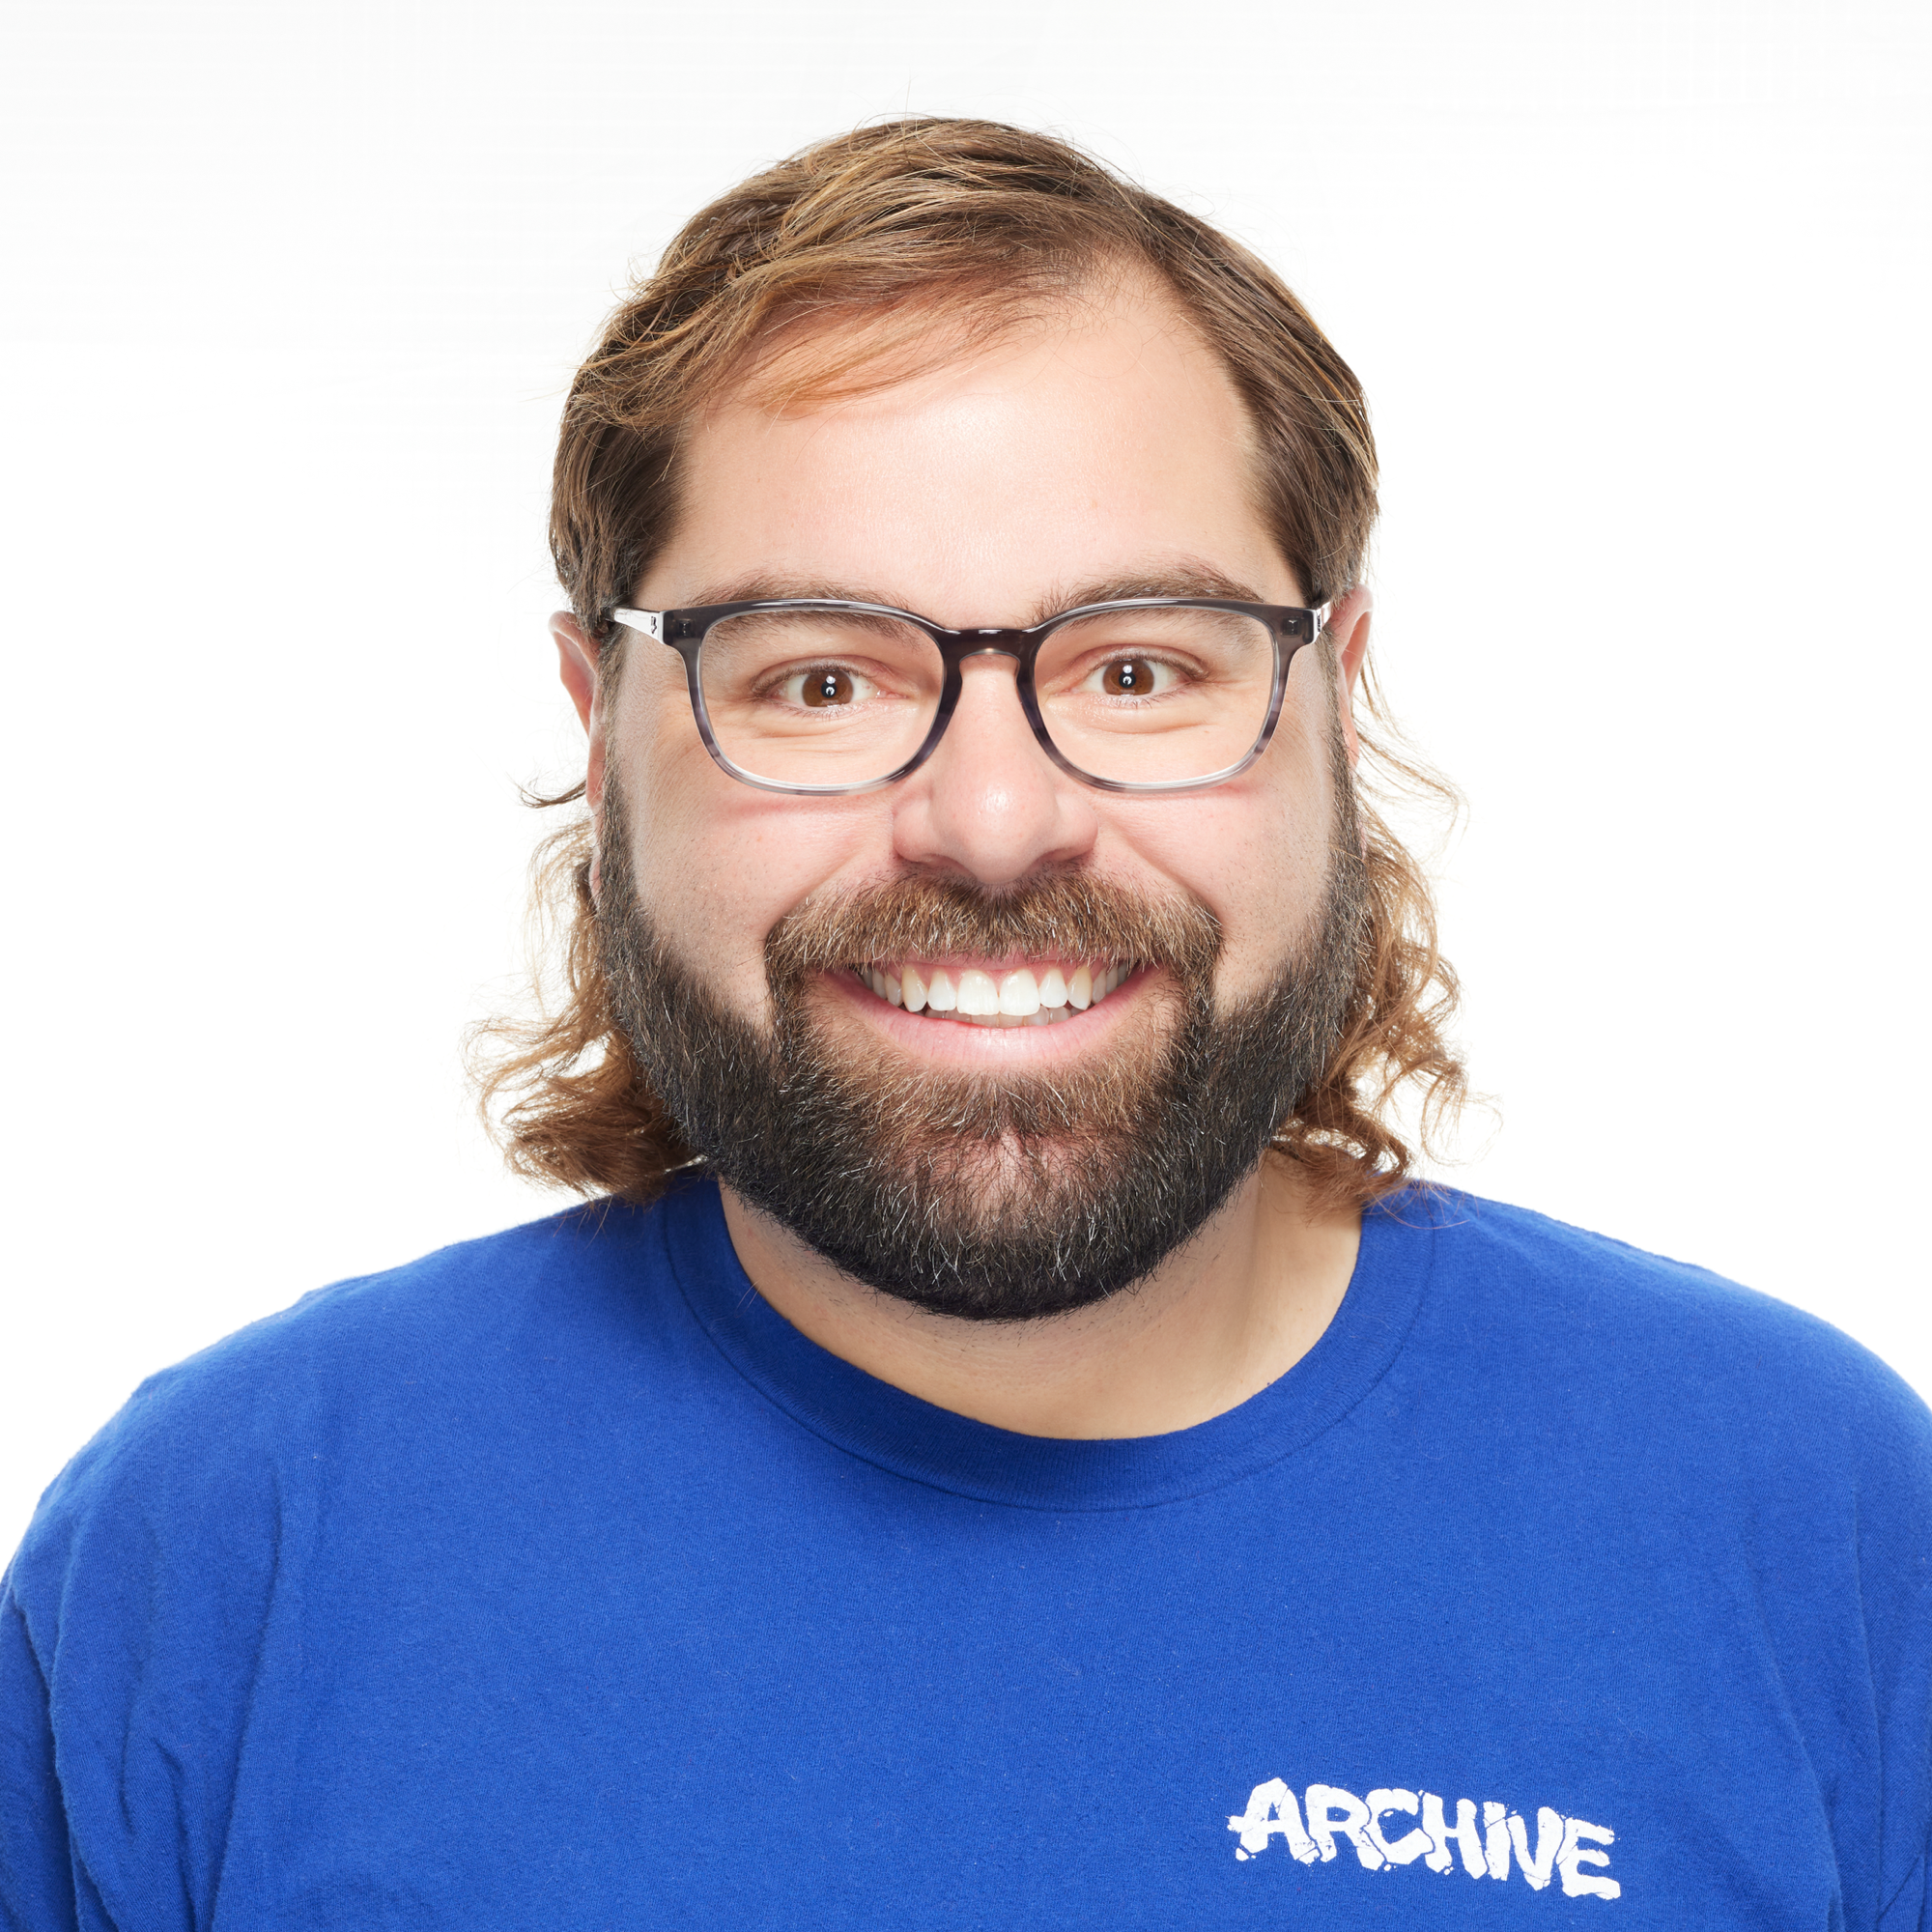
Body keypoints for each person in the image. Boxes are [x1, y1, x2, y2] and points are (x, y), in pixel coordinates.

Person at [3, 118, 1926, 1930]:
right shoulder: (221, 1561)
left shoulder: (1808, 1526)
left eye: (1143, 665)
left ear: (1332, 698)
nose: (993, 819)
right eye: (822, 678)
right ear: (599, 728)